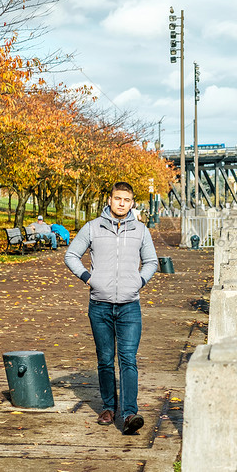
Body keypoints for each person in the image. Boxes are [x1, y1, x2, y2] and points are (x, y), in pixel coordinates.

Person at [64, 182, 158, 434]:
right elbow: (71, 255)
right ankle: (108, 407)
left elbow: (151, 262)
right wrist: (88, 278)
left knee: (128, 360)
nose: (121, 203)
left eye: (127, 200)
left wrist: (138, 281)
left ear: (132, 203)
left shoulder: (140, 230)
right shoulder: (93, 227)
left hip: (129, 307)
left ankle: (129, 414)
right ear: (109, 199)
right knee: (105, 360)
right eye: (118, 198)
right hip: (100, 306)